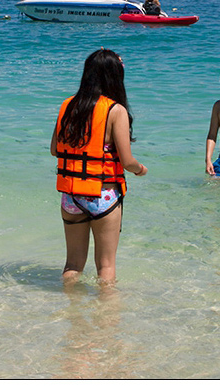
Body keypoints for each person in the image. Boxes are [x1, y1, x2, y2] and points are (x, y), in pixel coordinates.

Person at [52, 48, 147, 285]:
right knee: (105, 266)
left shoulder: (67, 105)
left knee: (73, 265)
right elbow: (127, 161)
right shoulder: (116, 110)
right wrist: (140, 169)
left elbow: (55, 149)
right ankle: (107, 319)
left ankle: (73, 315)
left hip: (71, 196)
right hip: (102, 195)